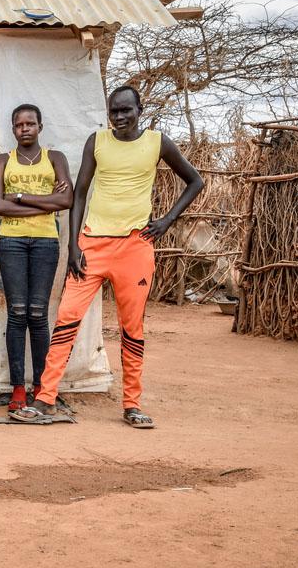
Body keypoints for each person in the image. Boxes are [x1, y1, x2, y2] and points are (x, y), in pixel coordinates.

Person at [11, 86, 203, 428]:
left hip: (135, 247)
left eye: (126, 110)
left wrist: (167, 220)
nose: (119, 117)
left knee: (132, 327)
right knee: (67, 318)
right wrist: (74, 246)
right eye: (114, 111)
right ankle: (45, 400)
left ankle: (132, 404)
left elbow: (195, 181)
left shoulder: (158, 143)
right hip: (92, 245)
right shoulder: (96, 141)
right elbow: (80, 193)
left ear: (140, 109)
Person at [0, 104, 73, 412]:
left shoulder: (55, 158)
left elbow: (67, 199)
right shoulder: (2, 161)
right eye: (19, 124)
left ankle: (42, 385)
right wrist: (47, 204)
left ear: (40, 126)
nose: (25, 128)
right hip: (11, 241)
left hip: (46, 242)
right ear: (13, 129)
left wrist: (21, 197)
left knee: (38, 314)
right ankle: (18, 388)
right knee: (17, 313)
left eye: (30, 123)